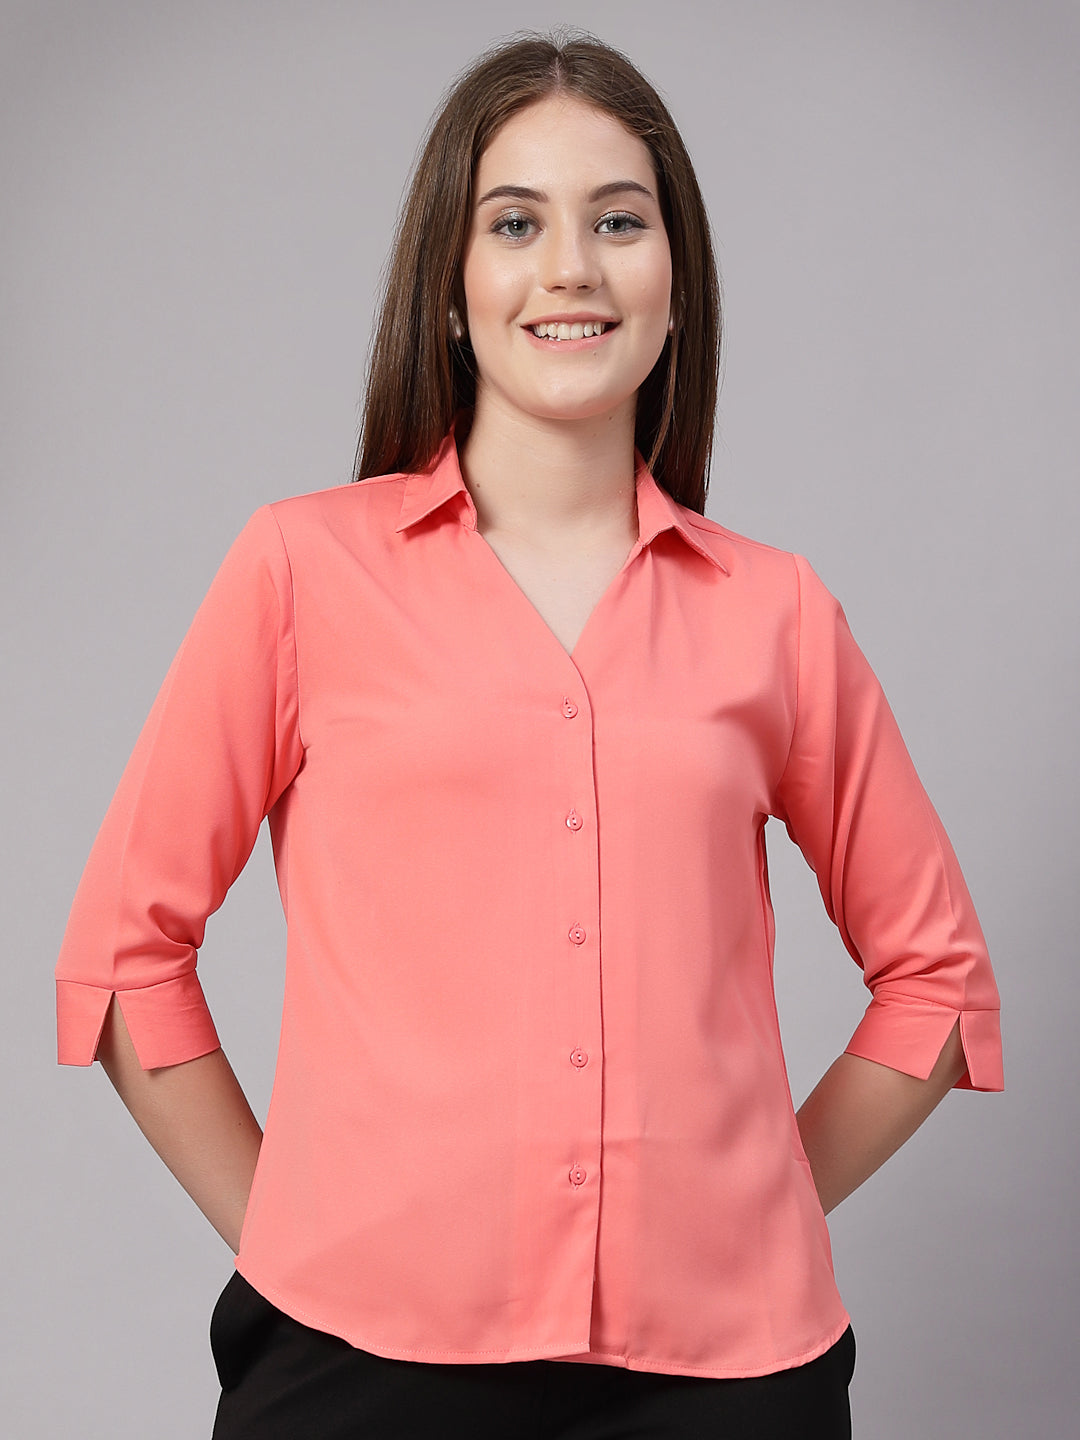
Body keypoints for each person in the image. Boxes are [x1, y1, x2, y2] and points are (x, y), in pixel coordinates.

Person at [54, 29, 1004, 1440]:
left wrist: (756, 1205)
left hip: (727, 1378)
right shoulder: (300, 573)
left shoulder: (779, 615)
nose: (571, 267)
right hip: (357, 1365)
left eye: (619, 221)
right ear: (451, 284)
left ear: (676, 281)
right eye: (515, 223)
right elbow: (125, 961)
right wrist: (301, 1240)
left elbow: (937, 985)